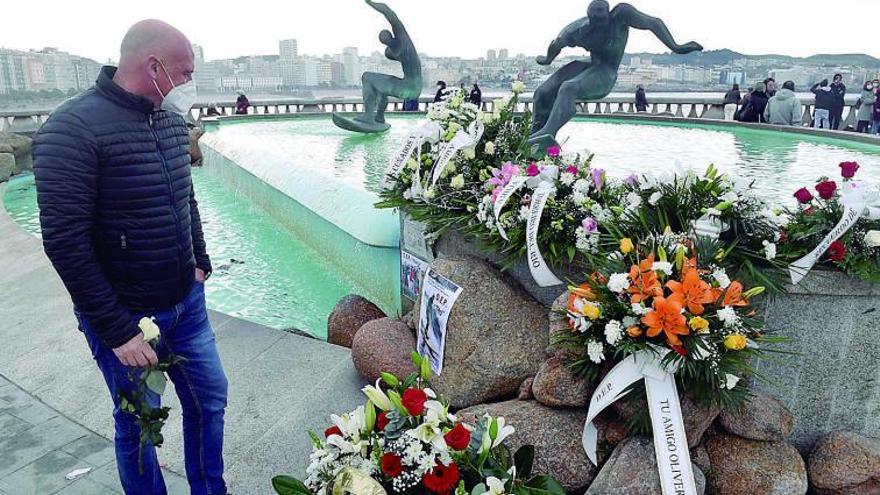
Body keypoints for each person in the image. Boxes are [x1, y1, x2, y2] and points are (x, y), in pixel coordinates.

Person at [31, 20, 228, 495]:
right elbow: (64, 240)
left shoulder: (168, 117)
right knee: (139, 425)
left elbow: (186, 197)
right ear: (153, 65)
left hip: (187, 304)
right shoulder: (71, 129)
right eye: (183, 73)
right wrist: (118, 331)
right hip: (128, 319)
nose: (188, 84)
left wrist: (198, 260)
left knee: (210, 401)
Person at [528, 0, 702, 148]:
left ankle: (547, 134)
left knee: (569, 87)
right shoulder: (577, 31)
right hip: (590, 65)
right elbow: (556, 45)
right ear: (589, 19)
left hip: (606, 72)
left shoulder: (621, 16)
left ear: (608, 14)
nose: (599, 24)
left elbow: (653, 23)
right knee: (542, 93)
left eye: (602, 19)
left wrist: (676, 47)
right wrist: (547, 59)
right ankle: (534, 136)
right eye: (595, 21)